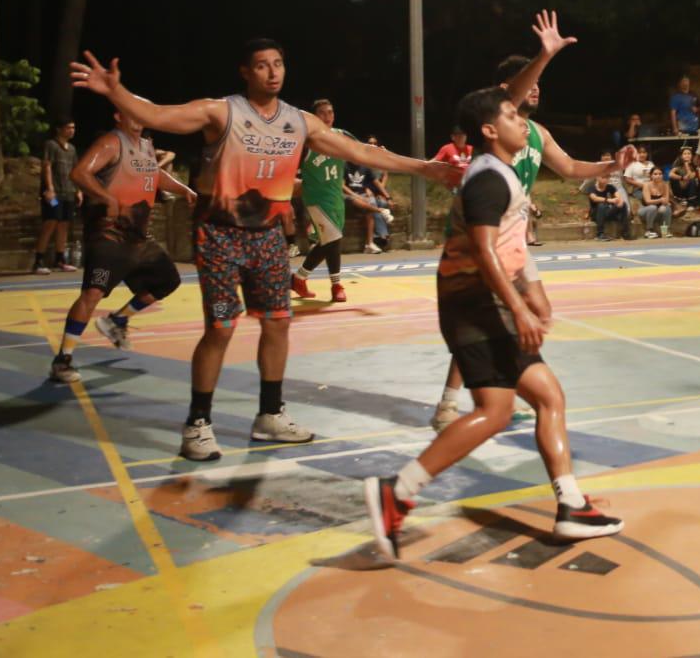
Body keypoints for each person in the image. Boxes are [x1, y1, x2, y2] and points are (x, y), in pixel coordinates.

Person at [70, 40, 459, 462]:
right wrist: (115, 92)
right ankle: (198, 423)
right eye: (261, 66)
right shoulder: (222, 112)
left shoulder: (300, 122)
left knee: (277, 324)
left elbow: (362, 152)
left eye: (278, 64)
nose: (272, 72)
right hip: (220, 236)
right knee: (220, 328)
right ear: (245, 72)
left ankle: (270, 415)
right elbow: (160, 116)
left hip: (270, 239)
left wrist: (424, 167)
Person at [365, 87, 623, 559]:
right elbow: (483, 252)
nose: (520, 121)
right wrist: (520, 307)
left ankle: (570, 505)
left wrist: (535, 293)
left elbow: (510, 246)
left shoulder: (506, 174)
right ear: (489, 130)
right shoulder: (487, 176)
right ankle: (398, 491)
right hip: (474, 302)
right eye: (510, 115)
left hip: (484, 300)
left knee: (548, 396)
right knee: (496, 412)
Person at [430, 11, 635, 431]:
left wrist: (611, 165)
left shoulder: (533, 133)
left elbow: (572, 168)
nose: (536, 89)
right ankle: (456, 404)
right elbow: (516, 90)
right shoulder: (493, 124)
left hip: (514, 242)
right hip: (480, 240)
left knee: (518, 317)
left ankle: (500, 387)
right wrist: (544, 56)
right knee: (489, 318)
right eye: (530, 83)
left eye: (539, 83)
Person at [48, 111, 196, 383]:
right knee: (93, 293)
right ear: (117, 115)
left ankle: (117, 321)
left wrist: (183, 189)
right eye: (131, 113)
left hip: (138, 238)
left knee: (167, 281)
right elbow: (79, 173)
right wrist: (105, 197)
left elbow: (156, 174)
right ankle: (63, 360)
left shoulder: (145, 146)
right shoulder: (111, 142)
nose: (139, 118)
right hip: (109, 236)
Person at [290, 99, 357, 303]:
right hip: (315, 198)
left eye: (331, 112)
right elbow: (289, 170)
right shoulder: (306, 142)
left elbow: (361, 150)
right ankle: (336, 285)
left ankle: (298, 278)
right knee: (333, 239)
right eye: (322, 113)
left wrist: (377, 151)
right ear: (314, 117)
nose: (328, 116)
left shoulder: (342, 135)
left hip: (335, 196)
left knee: (328, 241)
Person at [34, 120, 80, 274]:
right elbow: (47, 166)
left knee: (64, 224)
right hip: (54, 193)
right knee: (51, 221)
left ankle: (60, 259)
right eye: (68, 127)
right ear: (59, 129)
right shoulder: (51, 145)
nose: (71, 130)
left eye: (73, 128)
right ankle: (39, 260)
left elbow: (75, 169)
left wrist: (78, 189)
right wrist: (49, 188)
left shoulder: (72, 149)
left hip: (68, 192)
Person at [345, 148, 394, 253]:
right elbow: (342, 185)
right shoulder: (345, 166)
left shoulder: (365, 167)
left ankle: (370, 244)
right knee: (371, 202)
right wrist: (356, 195)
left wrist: (388, 197)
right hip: (349, 195)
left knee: (373, 202)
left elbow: (377, 183)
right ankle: (381, 214)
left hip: (363, 195)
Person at [668, 146, 700, 214]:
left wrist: (687, 165)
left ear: (692, 155)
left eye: (689, 154)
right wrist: (681, 178)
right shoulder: (677, 164)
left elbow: (691, 176)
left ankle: (691, 203)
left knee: (693, 181)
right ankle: (681, 200)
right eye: (685, 154)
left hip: (690, 188)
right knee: (673, 179)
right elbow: (670, 174)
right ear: (681, 156)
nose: (687, 155)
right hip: (680, 187)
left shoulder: (694, 165)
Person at [640, 173, 674, 238]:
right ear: (651, 176)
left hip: (657, 211)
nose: (658, 176)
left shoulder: (665, 185)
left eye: (660, 174)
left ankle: (665, 231)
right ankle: (649, 231)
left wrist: (663, 204)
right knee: (653, 207)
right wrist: (660, 200)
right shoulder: (646, 185)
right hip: (645, 210)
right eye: (655, 174)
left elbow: (666, 201)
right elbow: (648, 202)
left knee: (667, 208)